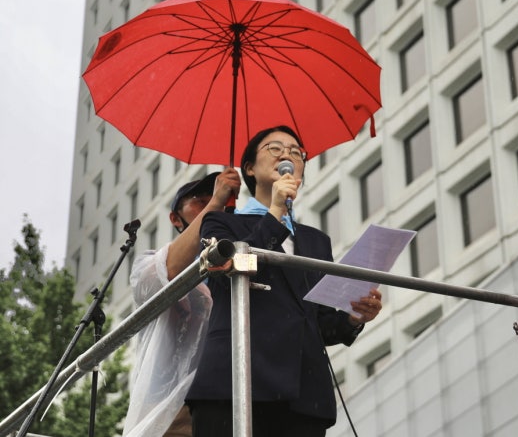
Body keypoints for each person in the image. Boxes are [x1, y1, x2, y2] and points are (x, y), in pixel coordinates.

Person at [185, 126, 383, 437]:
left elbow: (322, 325)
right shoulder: (220, 221)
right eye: (274, 149)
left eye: (296, 152)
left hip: (302, 396)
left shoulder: (316, 241)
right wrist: (275, 211)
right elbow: (227, 274)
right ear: (249, 168)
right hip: (234, 381)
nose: (286, 155)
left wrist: (354, 315)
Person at [123, 168, 242, 437]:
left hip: (229, 400)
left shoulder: (238, 261)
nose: (211, 201)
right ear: (175, 218)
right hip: (173, 408)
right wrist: (215, 205)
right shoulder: (149, 262)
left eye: (212, 197)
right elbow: (171, 270)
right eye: (198, 200)